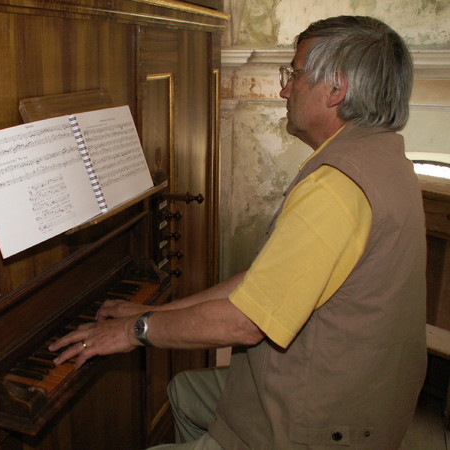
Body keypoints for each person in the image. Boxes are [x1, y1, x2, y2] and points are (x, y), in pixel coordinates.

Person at [50, 15, 427, 449]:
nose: (285, 89)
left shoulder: (336, 189)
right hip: (364, 389)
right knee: (185, 392)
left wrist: (130, 333)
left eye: (295, 73)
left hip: (325, 420)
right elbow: (259, 286)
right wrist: (145, 316)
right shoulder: (382, 153)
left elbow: (246, 323)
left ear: (335, 88)